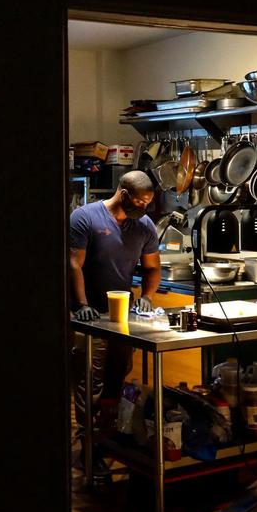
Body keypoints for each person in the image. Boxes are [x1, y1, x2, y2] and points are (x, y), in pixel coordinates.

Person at [68, 169, 161, 457]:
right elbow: (74, 265)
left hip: (120, 316)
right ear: (123, 195)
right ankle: (88, 448)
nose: (145, 208)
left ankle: (108, 441)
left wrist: (146, 296)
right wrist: (82, 304)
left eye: (148, 202)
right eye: (141, 201)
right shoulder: (85, 218)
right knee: (89, 379)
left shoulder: (144, 226)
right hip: (88, 315)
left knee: (117, 377)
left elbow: (152, 267)